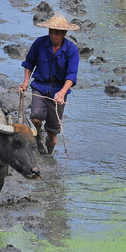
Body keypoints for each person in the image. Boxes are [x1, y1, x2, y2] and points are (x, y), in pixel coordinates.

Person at [18, 14, 80, 155]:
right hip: (40, 86)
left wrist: (62, 93)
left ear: (64, 33)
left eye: (57, 33)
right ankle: (38, 139)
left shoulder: (71, 50)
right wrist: (25, 82)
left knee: (52, 136)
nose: (53, 35)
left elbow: (71, 76)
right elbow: (29, 63)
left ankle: (48, 154)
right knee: (35, 117)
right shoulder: (39, 43)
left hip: (58, 90)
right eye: (51, 32)